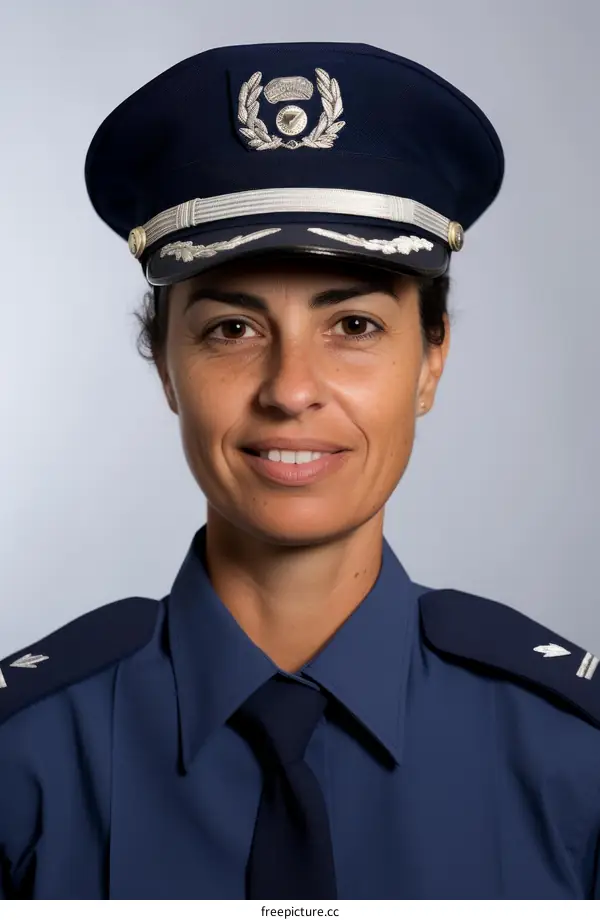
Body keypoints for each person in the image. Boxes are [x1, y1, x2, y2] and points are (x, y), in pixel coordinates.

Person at [1, 40, 599, 901]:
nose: (290, 390)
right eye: (231, 329)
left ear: (431, 362)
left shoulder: (575, 757)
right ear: (166, 368)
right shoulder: (26, 760)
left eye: (353, 326)